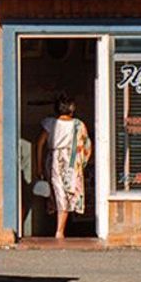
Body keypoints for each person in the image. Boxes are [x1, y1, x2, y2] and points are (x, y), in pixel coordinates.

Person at [36, 97, 92, 240]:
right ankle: (60, 231)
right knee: (67, 193)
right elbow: (87, 146)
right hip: (72, 161)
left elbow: (40, 143)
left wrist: (39, 166)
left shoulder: (50, 123)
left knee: (58, 193)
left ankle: (59, 229)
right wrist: (82, 163)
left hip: (54, 160)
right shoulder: (78, 125)